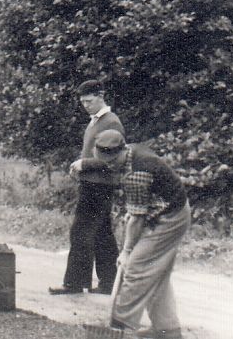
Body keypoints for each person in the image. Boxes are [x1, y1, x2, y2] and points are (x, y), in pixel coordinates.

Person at [72, 130, 190, 338]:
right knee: (154, 272)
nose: (109, 166)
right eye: (104, 161)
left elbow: (137, 218)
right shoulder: (129, 154)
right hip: (159, 210)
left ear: (122, 150)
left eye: (112, 161)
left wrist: (126, 252)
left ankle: (121, 327)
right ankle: (167, 330)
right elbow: (138, 210)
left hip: (169, 217)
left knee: (136, 268)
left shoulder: (137, 173)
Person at [50, 79, 125, 295]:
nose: (85, 106)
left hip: (99, 186)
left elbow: (114, 158)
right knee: (102, 233)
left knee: (81, 231)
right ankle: (109, 283)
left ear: (101, 96)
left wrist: (85, 164)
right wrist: (80, 167)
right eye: (83, 102)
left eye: (89, 101)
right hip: (92, 183)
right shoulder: (95, 121)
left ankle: (74, 283)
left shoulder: (111, 122)